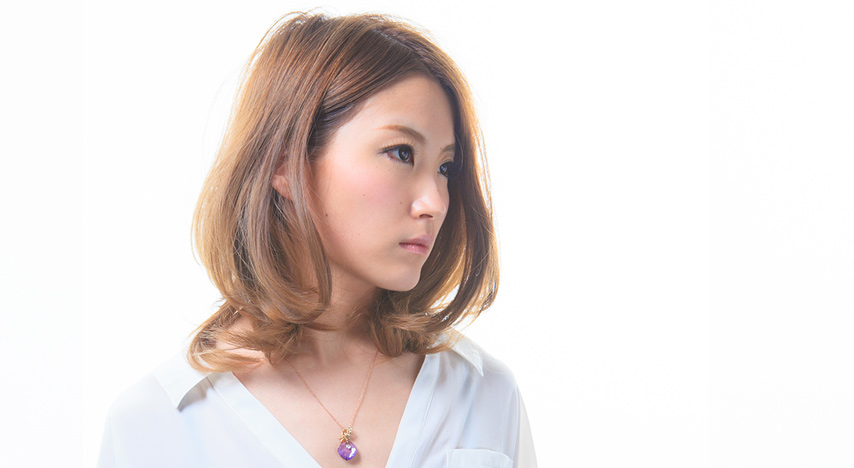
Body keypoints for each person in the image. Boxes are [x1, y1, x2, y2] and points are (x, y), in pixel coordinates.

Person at [98, 11, 536, 468]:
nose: (435, 202)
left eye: (445, 168)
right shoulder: (158, 424)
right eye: (401, 153)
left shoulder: (483, 394)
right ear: (285, 164)